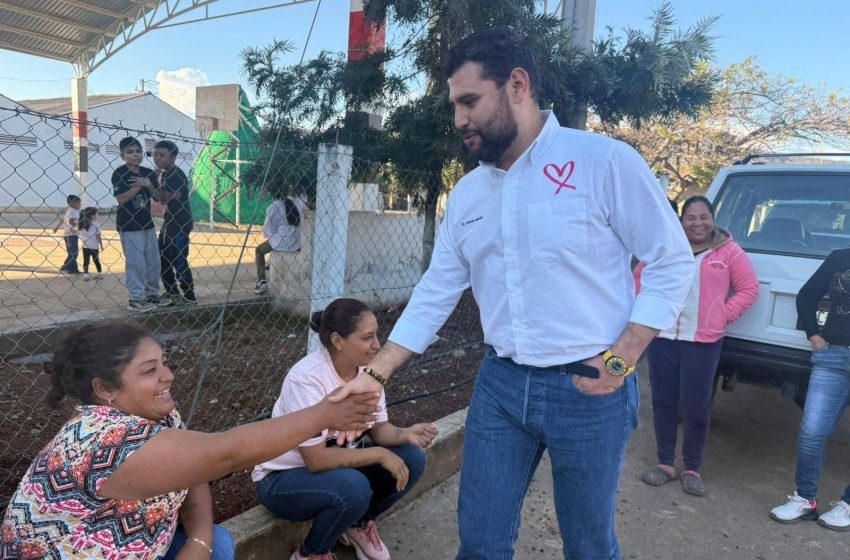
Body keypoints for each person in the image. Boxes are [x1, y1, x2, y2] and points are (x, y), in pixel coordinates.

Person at [330, 29, 694, 560]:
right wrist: (375, 373)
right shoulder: (470, 192)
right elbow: (437, 288)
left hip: (589, 387)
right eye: (455, 104)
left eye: (469, 101)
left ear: (517, 85)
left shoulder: (604, 162)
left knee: (588, 544)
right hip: (501, 385)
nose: (459, 119)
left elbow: (670, 258)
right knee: (479, 541)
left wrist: (626, 355)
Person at [0, 320, 379, 560]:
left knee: (218, 541)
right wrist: (324, 415)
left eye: (165, 362)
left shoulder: (159, 412)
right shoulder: (101, 441)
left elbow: (196, 470)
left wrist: (197, 543)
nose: (168, 376)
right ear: (104, 389)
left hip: (136, 544)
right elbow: (223, 454)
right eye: (150, 370)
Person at [254, 298, 436, 560]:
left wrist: (405, 433)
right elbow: (316, 460)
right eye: (367, 338)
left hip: (335, 470)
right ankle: (311, 553)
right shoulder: (306, 378)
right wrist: (380, 455)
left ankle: (358, 524)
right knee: (354, 486)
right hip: (283, 479)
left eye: (377, 335)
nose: (377, 345)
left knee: (413, 457)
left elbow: (379, 429)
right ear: (338, 341)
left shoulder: (369, 373)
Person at [635, 196, 758, 496]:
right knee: (663, 402)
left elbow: (748, 288)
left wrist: (722, 314)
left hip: (703, 341)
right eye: (691, 217)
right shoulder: (666, 248)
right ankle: (665, 462)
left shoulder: (729, 252)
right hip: (663, 337)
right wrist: (646, 312)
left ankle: (692, 467)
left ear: (713, 219)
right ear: (682, 221)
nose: (698, 223)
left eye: (704, 217)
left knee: (695, 406)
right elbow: (639, 278)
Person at [770, 247, 850, 530]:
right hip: (833, 358)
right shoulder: (840, 257)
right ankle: (805, 500)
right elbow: (807, 296)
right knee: (812, 431)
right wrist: (813, 335)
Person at [112, 136, 163, 312]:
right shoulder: (120, 173)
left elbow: (157, 197)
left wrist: (148, 184)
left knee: (153, 262)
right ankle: (135, 298)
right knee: (136, 263)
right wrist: (139, 186)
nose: (135, 155)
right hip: (128, 224)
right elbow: (121, 198)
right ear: (122, 155)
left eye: (138, 151)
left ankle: (152, 295)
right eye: (130, 152)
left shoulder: (148, 173)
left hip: (146, 223)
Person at [152, 140, 197, 306]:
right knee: (162, 257)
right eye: (155, 155)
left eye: (162, 155)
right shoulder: (165, 173)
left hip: (180, 222)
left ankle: (189, 294)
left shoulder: (176, 174)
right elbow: (160, 197)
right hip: (170, 221)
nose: (158, 158)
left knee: (178, 258)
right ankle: (172, 291)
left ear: (173, 157)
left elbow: (165, 198)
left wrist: (150, 185)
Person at [254, 190, 303, 295]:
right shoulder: (298, 201)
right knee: (275, 240)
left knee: (259, 250)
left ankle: (261, 282)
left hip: (280, 242)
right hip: (296, 242)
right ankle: (270, 264)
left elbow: (268, 231)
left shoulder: (273, 207)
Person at [52, 194, 81, 274]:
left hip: (67, 234)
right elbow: (71, 221)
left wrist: (57, 227)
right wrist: (76, 226)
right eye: (78, 203)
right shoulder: (73, 212)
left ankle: (66, 266)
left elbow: (63, 219)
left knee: (71, 252)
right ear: (72, 204)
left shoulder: (70, 211)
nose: (80, 205)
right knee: (74, 253)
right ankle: (72, 269)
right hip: (72, 235)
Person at [77, 206, 104, 281]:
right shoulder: (96, 225)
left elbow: (79, 233)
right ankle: (100, 274)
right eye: (97, 214)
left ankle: (86, 275)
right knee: (96, 260)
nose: (98, 216)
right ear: (92, 216)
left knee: (86, 261)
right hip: (95, 247)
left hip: (85, 246)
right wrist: (101, 245)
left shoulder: (83, 224)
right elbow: (98, 236)